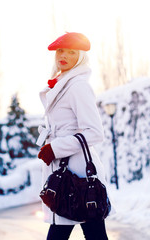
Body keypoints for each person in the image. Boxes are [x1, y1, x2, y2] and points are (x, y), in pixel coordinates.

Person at [37, 32, 109, 240]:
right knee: (93, 234)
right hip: (63, 173)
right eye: (61, 50)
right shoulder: (63, 84)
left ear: (81, 57)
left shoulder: (78, 86)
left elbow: (95, 132)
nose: (64, 55)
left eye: (71, 52)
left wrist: (55, 148)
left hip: (78, 175)